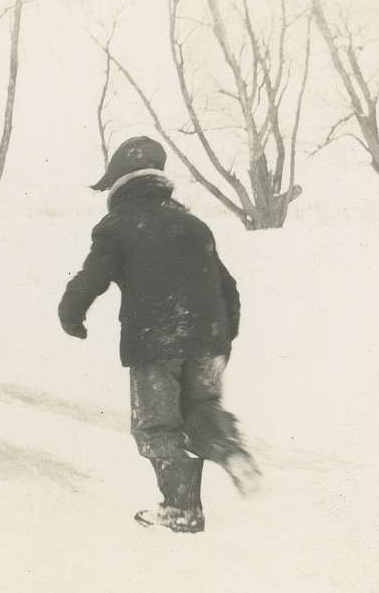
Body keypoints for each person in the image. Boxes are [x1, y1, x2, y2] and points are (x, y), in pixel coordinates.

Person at [57, 135, 261, 534]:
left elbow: (91, 278)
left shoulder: (115, 226)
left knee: (157, 426)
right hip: (208, 339)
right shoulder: (193, 224)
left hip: (156, 341)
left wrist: (71, 314)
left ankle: (181, 509)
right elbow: (228, 286)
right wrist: (223, 339)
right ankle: (228, 448)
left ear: (118, 186)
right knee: (201, 408)